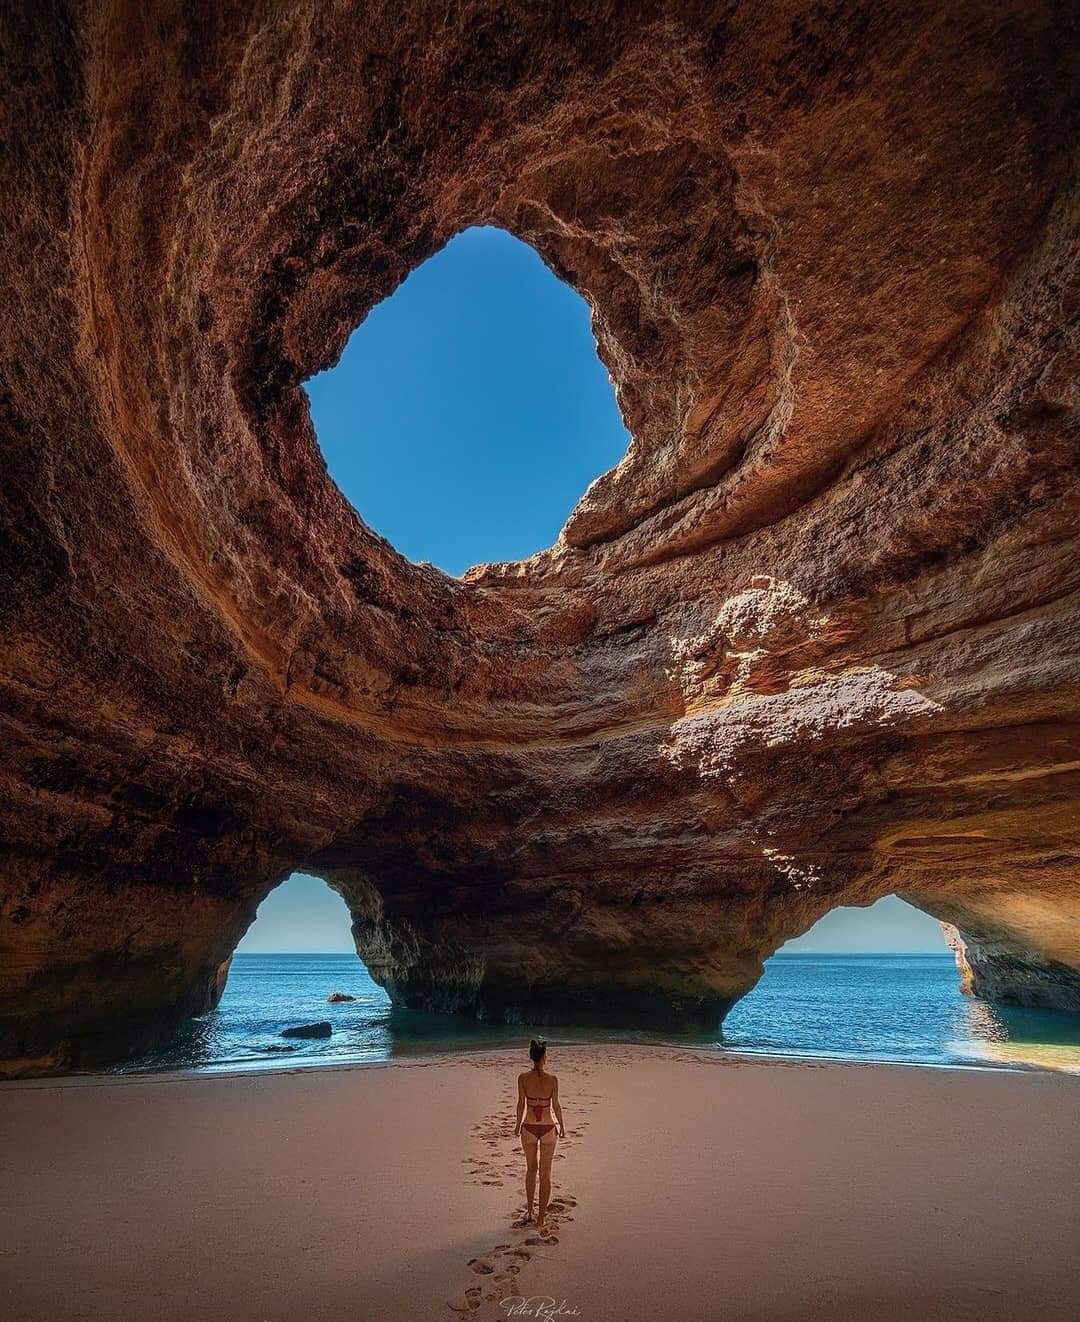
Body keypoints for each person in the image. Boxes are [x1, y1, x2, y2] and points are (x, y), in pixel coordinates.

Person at [513, 1037, 565, 1230]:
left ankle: (531, 1212)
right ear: (545, 1057)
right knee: (545, 1173)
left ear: (531, 1057)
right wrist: (562, 1124)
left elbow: (520, 1105)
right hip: (547, 1127)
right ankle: (541, 1217)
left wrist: (517, 1125)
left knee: (531, 1170)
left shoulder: (523, 1078)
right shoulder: (553, 1080)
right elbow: (556, 1106)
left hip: (528, 1127)